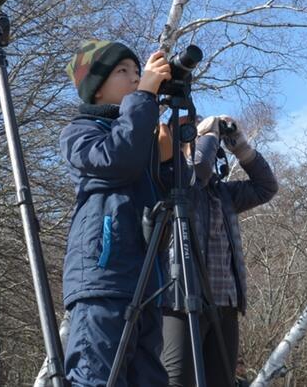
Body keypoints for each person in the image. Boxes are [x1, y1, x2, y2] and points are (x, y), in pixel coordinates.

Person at [60, 40, 172, 387]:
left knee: (148, 378)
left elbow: (179, 197)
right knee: (98, 376)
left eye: (137, 72)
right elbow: (116, 159)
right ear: (95, 90)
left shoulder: (140, 134)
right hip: (103, 279)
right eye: (122, 71)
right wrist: (144, 99)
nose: (135, 78)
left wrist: (169, 161)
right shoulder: (79, 132)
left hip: (147, 282)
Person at [160, 113, 278, 386]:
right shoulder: (172, 182)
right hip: (180, 300)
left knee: (221, 382)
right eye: (194, 137)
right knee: (176, 381)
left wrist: (240, 146)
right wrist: (210, 136)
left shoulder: (222, 193)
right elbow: (196, 172)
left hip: (225, 302)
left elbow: (266, 187)